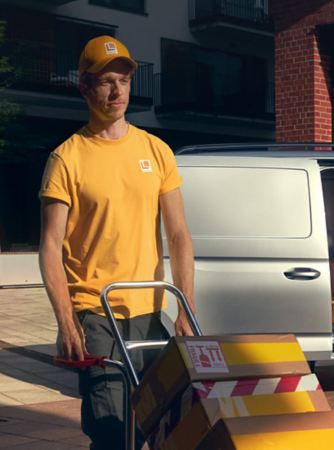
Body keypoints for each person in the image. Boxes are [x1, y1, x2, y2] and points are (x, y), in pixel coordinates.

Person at [38, 35, 196, 450]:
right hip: (96, 310)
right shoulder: (67, 158)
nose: (116, 91)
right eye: (105, 81)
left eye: (123, 80)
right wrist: (66, 321)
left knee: (155, 418)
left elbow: (178, 234)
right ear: (85, 88)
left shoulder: (156, 151)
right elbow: (51, 245)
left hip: (148, 307)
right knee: (112, 426)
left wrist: (185, 306)